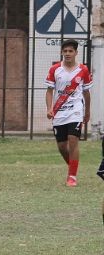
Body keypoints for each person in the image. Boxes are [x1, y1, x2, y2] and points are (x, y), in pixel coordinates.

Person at [45, 39, 92, 187]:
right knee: (61, 146)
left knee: (73, 140)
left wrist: (87, 111)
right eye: (65, 51)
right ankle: (72, 166)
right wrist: (49, 108)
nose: (67, 54)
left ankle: (72, 176)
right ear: (61, 52)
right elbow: (49, 91)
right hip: (59, 112)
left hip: (75, 110)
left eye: (70, 51)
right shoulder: (55, 70)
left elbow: (86, 92)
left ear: (76, 53)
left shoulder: (83, 70)